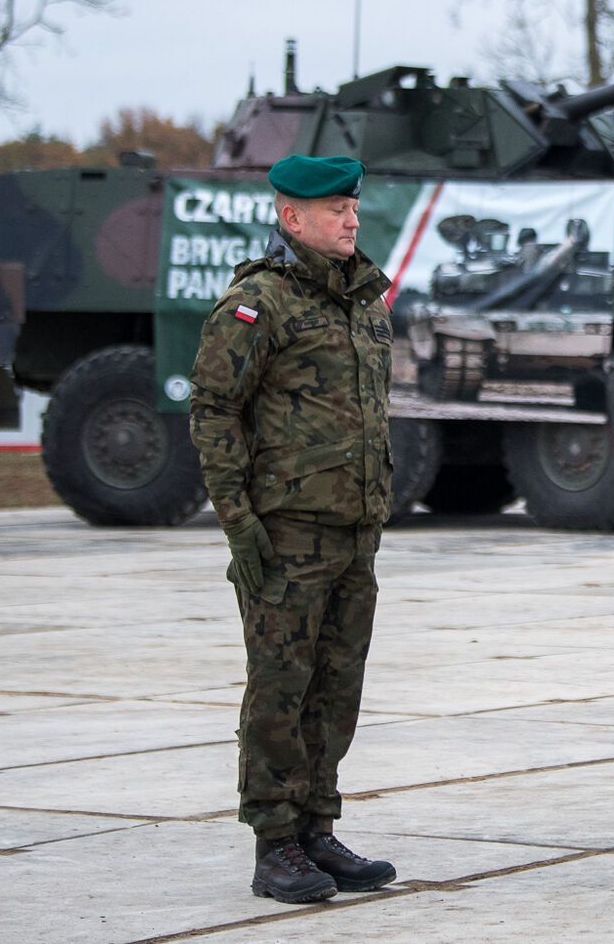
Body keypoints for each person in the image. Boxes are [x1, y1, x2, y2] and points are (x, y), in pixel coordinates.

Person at [189, 154, 398, 903]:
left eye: (353, 207)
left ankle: (316, 826)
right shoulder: (258, 304)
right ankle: (273, 840)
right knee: (280, 687)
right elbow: (213, 412)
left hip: (354, 532)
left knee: (336, 688)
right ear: (291, 217)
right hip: (285, 536)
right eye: (337, 208)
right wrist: (240, 527)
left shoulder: (366, 302)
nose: (351, 219)